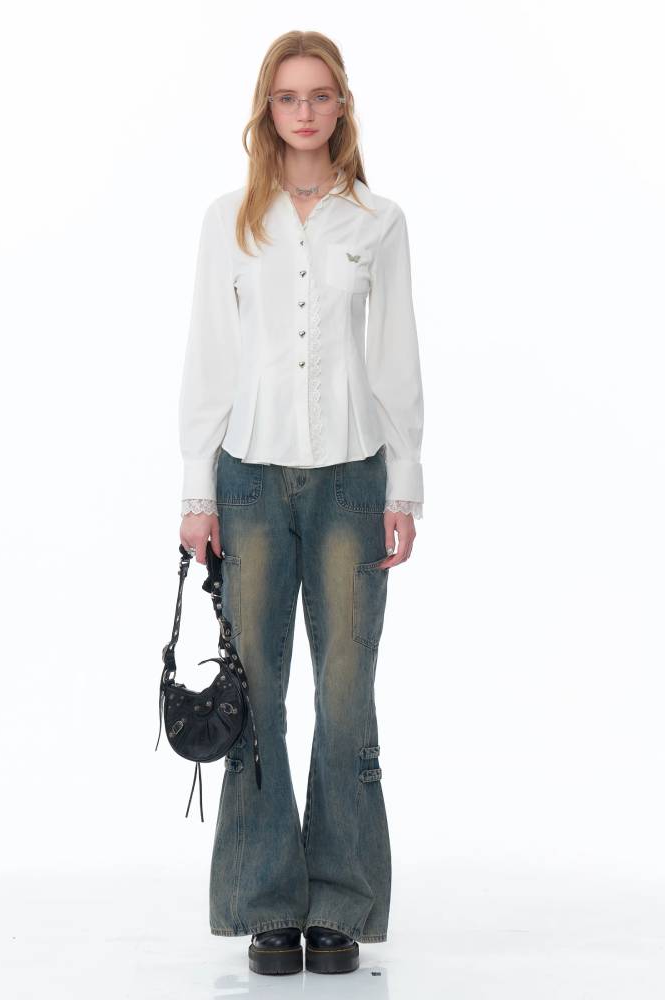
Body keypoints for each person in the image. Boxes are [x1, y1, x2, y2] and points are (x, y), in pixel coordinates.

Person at [177, 30, 424, 976]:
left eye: (320, 95)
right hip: (247, 479)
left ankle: (342, 906)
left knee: (346, 696)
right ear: (267, 110)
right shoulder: (231, 222)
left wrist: (406, 483)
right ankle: (266, 903)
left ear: (341, 107)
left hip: (353, 478)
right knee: (258, 694)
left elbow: (395, 358)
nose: (305, 112)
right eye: (288, 97)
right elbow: (210, 358)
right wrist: (196, 491)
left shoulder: (378, 222)